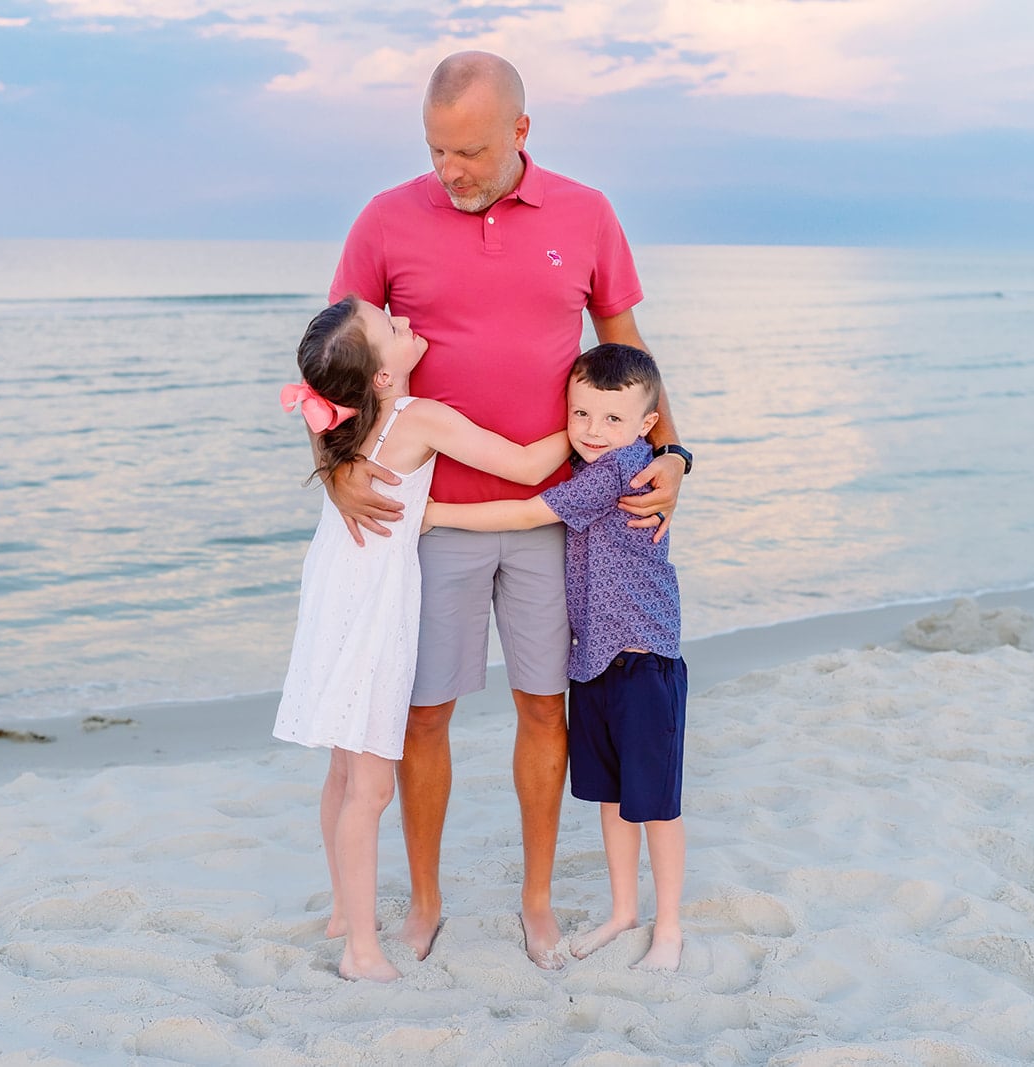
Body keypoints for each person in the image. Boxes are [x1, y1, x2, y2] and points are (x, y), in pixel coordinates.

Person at [324, 50, 692, 969]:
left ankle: (536, 901)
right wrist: (335, 470)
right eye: (436, 150)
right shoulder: (384, 218)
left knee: (544, 708)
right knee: (423, 717)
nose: (450, 170)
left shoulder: (587, 212)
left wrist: (674, 455)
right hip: (429, 521)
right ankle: (425, 901)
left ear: (520, 132)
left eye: (471, 152)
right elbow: (333, 365)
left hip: (556, 521)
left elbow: (627, 349)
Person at [272, 296, 571, 983]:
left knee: (343, 770)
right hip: (374, 610)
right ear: (381, 376)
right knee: (371, 788)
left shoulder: (346, 423)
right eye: (390, 326)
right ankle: (361, 951)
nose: (404, 321)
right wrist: (591, 434)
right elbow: (526, 466)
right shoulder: (416, 416)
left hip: (333, 595)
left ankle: (344, 912)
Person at [425, 343, 687, 971]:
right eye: (581, 414)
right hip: (595, 658)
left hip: (641, 657)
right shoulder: (592, 457)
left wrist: (433, 513)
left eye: (613, 418)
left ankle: (670, 927)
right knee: (613, 796)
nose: (594, 430)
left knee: (655, 803)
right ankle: (623, 912)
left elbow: (526, 511)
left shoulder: (617, 470)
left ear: (649, 424)